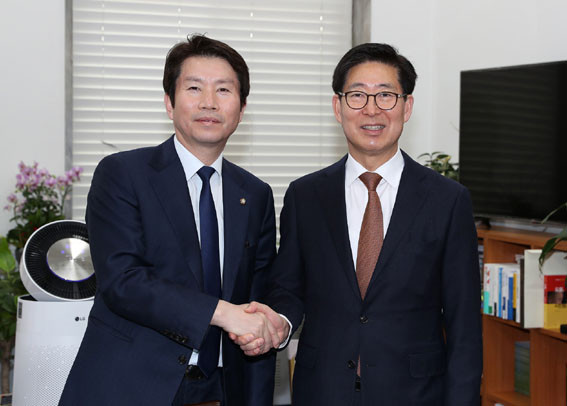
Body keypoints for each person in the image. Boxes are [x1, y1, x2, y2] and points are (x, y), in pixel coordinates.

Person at [236, 43, 483, 405]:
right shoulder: (305, 195)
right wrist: (279, 324)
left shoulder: (448, 200)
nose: (371, 109)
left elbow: (464, 323)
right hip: (322, 390)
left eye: (385, 95)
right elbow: (288, 287)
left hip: (416, 393)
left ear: (406, 106)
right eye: (357, 95)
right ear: (338, 107)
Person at [60, 34, 281, 406]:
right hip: (130, 386)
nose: (209, 102)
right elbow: (123, 281)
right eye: (194, 88)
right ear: (169, 102)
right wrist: (222, 313)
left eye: (224, 90)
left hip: (223, 387)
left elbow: (257, 302)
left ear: (241, 109)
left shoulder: (255, 194)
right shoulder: (123, 174)